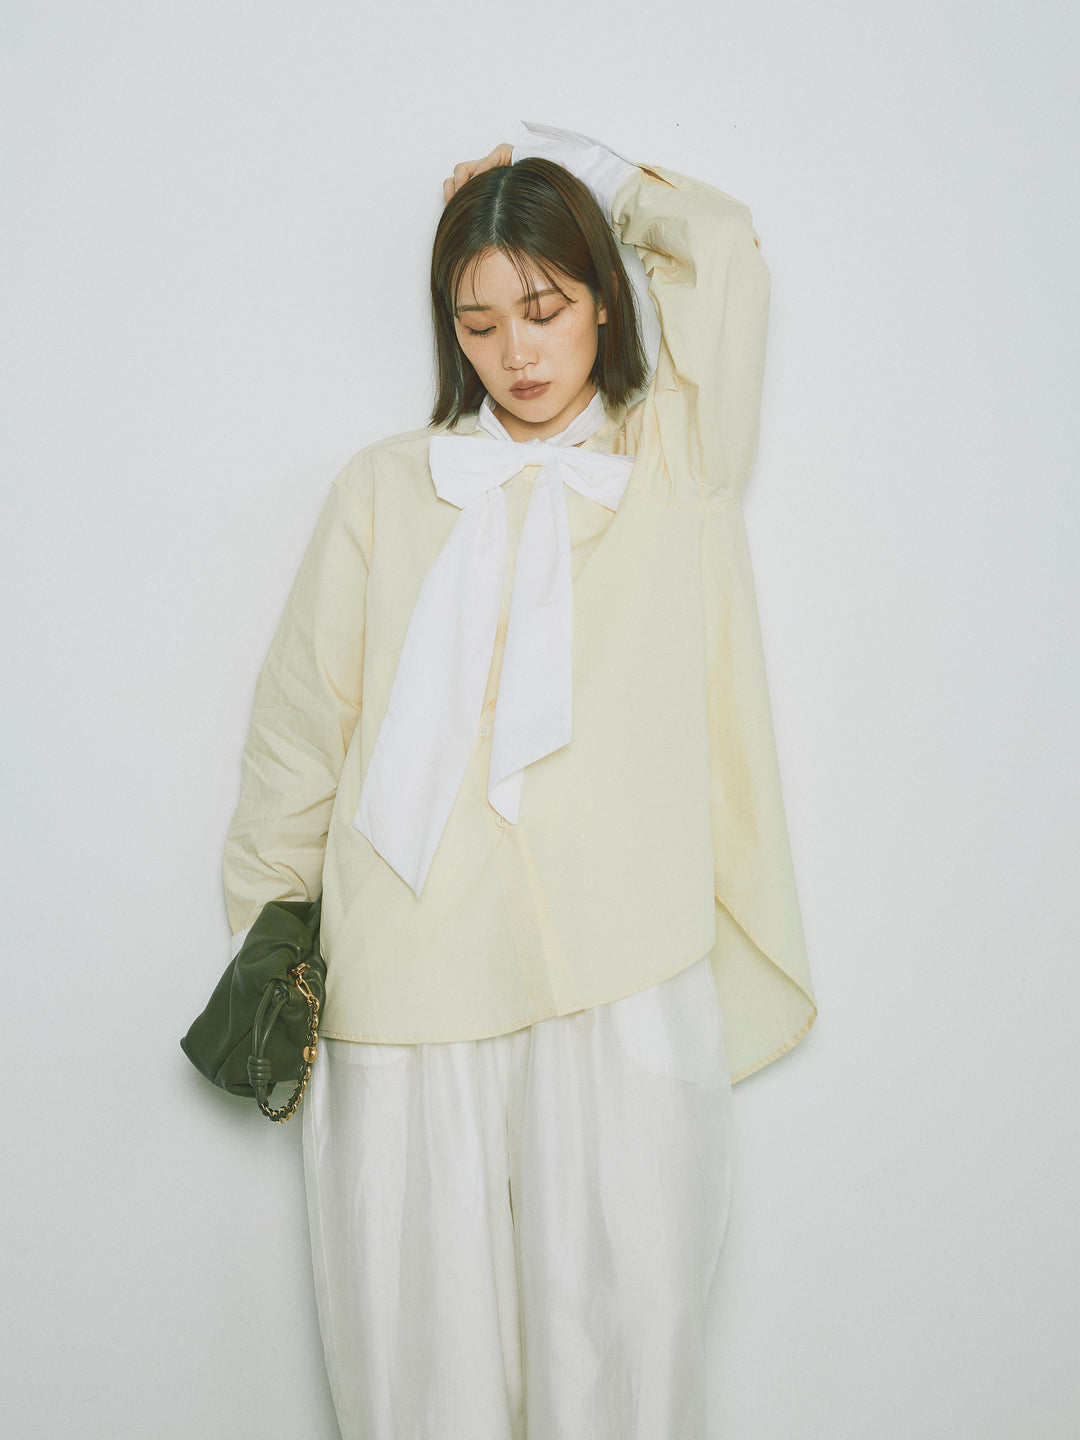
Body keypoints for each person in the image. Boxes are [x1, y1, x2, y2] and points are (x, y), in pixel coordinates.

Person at [222, 122, 816, 1440]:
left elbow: (722, 249)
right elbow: (303, 728)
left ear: (602, 298)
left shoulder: (671, 464)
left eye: (545, 309)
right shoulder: (386, 487)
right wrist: (274, 935)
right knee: (415, 1370)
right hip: (406, 970)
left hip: (621, 964)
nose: (518, 353)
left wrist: (571, 178)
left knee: (630, 1357)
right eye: (479, 323)